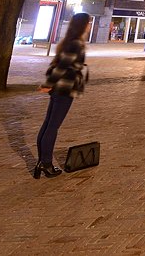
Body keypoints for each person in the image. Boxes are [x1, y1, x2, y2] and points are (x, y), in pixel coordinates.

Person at [34, 12, 90, 178]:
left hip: (59, 88)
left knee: (48, 124)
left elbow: (59, 64)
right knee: (53, 126)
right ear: (82, 25)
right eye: (88, 23)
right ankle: (46, 163)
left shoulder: (68, 42)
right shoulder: (76, 44)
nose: (89, 25)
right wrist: (47, 85)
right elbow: (62, 67)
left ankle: (42, 162)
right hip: (64, 88)